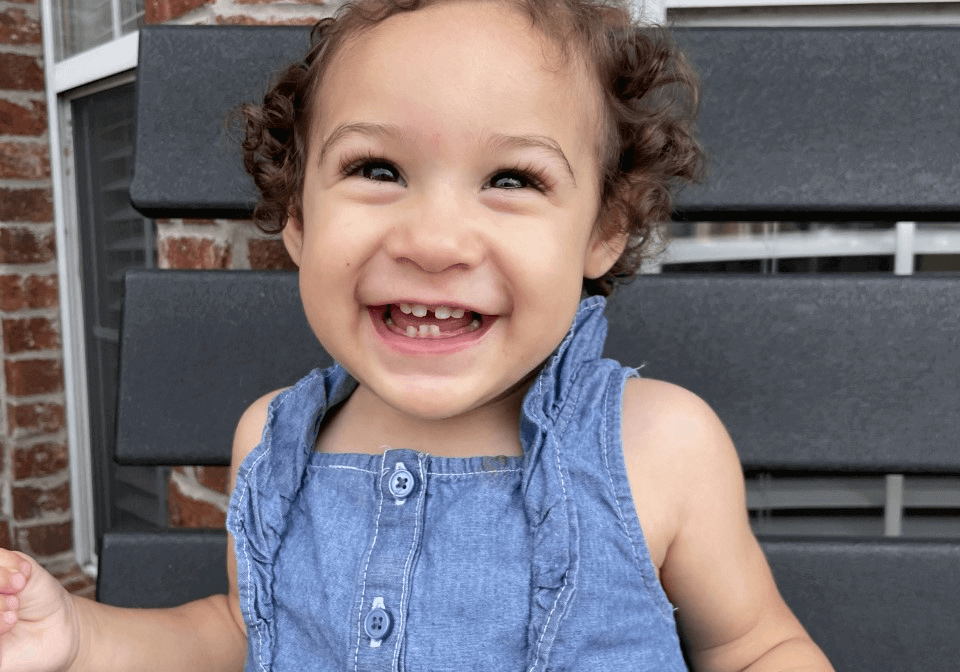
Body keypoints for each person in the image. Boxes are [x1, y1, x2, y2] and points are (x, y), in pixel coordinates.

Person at [0, 1, 835, 670]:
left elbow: (754, 645)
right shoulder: (276, 441)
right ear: (297, 217)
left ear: (603, 231)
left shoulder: (656, 445)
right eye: (376, 169)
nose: (434, 241)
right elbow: (243, 631)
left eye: (512, 178)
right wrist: (80, 638)